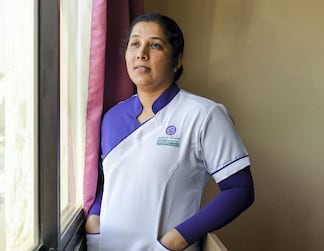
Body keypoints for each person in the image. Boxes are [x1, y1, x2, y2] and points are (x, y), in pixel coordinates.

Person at [85, 13, 254, 251]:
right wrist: (94, 220)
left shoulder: (204, 115)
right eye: (135, 43)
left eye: (155, 45)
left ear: (178, 60)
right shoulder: (112, 118)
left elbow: (240, 190)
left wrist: (175, 240)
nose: (141, 53)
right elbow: (110, 183)